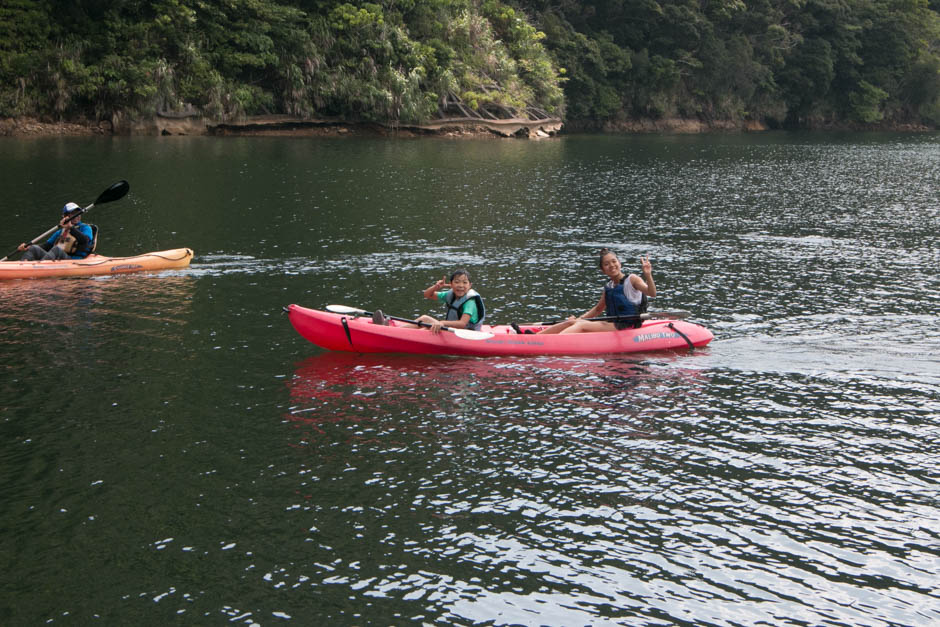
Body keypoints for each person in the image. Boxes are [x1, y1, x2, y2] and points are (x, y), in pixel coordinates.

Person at [536, 248, 656, 334]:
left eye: (614, 261)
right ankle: (535, 337)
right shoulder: (609, 286)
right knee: (572, 322)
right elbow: (598, 309)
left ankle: (551, 342)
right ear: (603, 270)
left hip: (627, 326)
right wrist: (578, 319)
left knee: (581, 325)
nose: (611, 265)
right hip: (612, 324)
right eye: (606, 264)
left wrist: (648, 275)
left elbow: (652, 293)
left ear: (620, 263)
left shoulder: (632, 279)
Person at [373, 269, 486, 334]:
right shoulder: (450, 294)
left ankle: (390, 331)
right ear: (451, 284)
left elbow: (462, 324)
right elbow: (427, 294)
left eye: (465, 283)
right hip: (453, 330)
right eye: (457, 282)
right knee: (425, 321)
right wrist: (436, 287)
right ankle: (392, 331)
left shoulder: (470, 302)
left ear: (470, 285)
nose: (461, 285)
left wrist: (442, 323)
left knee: (426, 323)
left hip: (467, 334)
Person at [18, 202, 94, 261]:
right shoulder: (61, 231)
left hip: (75, 260)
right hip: (60, 259)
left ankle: (40, 267)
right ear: (65, 216)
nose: (77, 215)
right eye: (74, 213)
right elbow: (47, 246)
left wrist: (71, 228)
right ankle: (23, 265)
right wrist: (28, 247)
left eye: (79, 213)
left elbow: (85, 241)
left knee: (57, 249)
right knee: (34, 248)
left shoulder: (85, 228)